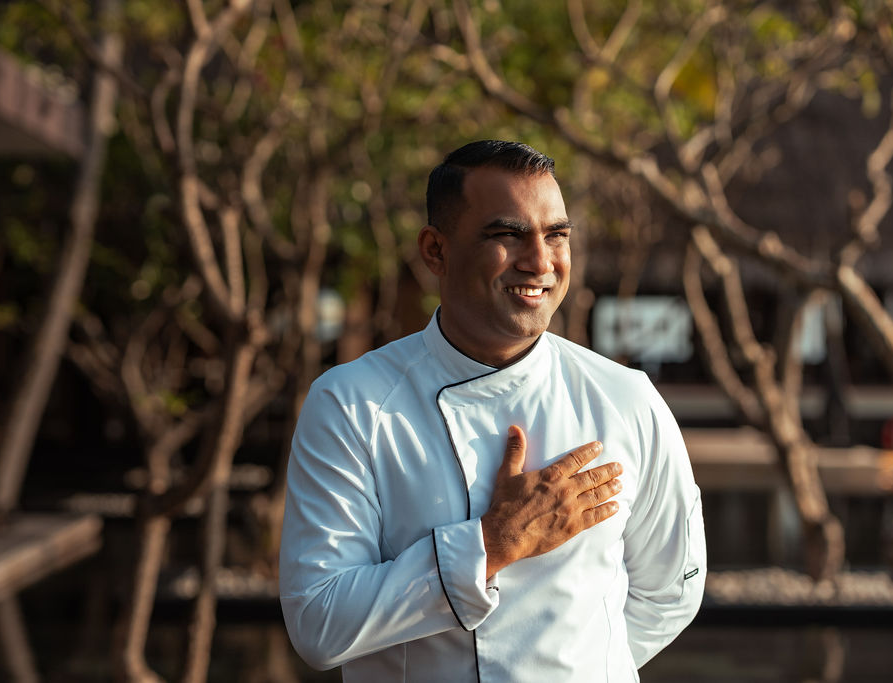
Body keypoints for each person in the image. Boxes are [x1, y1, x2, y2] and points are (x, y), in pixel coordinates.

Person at [279, 140, 705, 681]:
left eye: (557, 235)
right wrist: (490, 544)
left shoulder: (626, 398)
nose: (540, 261)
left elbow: (673, 592)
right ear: (436, 251)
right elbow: (319, 623)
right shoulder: (351, 405)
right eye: (507, 235)